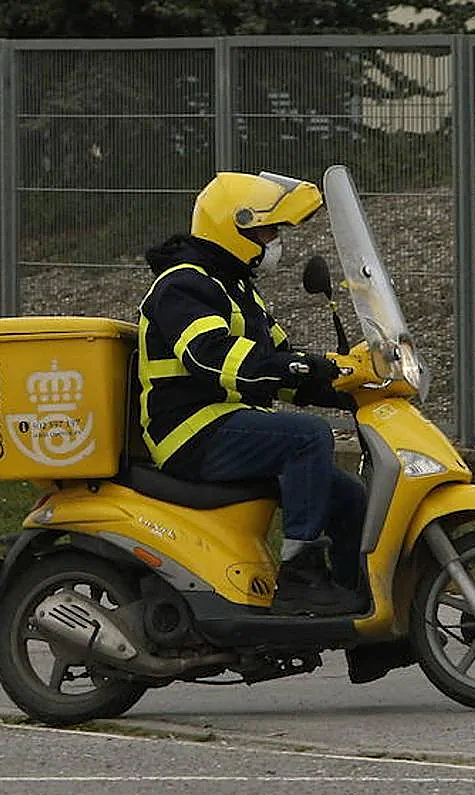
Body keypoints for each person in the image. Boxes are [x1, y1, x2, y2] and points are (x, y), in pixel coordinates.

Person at [137, 171, 367, 617]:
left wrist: (345, 383)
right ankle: (300, 576)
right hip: (190, 432)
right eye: (266, 230)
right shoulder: (183, 285)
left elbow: (280, 364)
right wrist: (304, 367)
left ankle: (352, 606)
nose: (274, 241)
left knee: (350, 497)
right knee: (307, 437)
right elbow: (212, 356)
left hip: (230, 426)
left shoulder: (238, 289)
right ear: (233, 228)